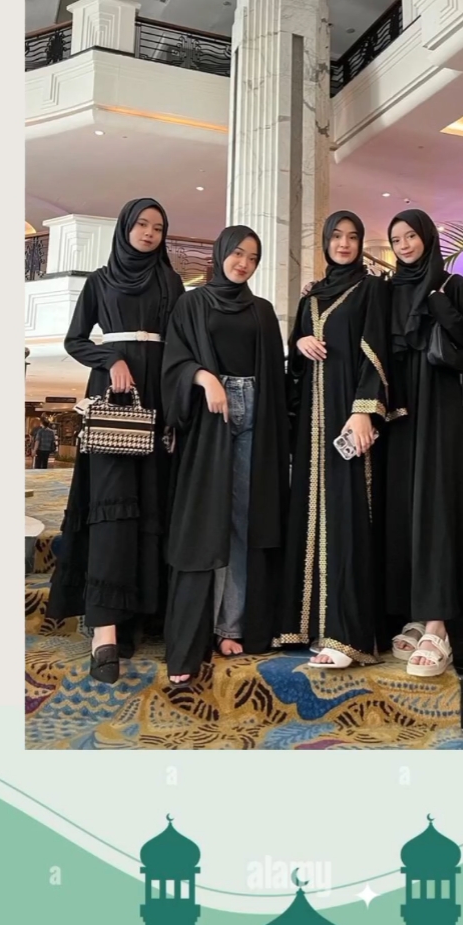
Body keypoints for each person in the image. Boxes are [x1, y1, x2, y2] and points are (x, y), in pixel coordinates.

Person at [46, 198, 184, 683]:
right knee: (111, 507)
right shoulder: (100, 281)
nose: (149, 233)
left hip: (158, 396)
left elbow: (181, 341)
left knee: (151, 505)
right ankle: (105, 630)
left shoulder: (170, 282)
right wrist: (110, 359)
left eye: (158, 227)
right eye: (141, 224)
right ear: (125, 227)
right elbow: (75, 339)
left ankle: (140, 617)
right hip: (114, 397)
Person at [161, 226, 290, 685]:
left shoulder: (262, 310)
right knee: (205, 522)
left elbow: (276, 376)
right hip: (210, 417)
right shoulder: (192, 303)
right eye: (237, 253)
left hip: (258, 414)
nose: (244, 263)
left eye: (253, 258)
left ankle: (232, 626)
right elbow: (174, 361)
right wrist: (204, 377)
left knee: (244, 520)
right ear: (220, 253)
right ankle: (193, 635)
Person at [275, 211, 389, 669]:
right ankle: (307, 625)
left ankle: (348, 636)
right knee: (310, 514)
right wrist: (299, 344)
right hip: (311, 425)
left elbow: (378, 350)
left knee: (348, 515)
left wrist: (364, 411)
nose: (344, 244)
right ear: (324, 242)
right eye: (336, 236)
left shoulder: (371, 289)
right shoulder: (311, 297)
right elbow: (296, 361)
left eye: (353, 237)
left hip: (348, 418)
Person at [385, 209, 463, 678]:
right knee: (403, 507)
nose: (405, 245)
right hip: (399, 412)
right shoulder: (388, 290)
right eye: (396, 239)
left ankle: (437, 625)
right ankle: (414, 611)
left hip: (439, 409)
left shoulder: (452, 285)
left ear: (428, 238)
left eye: (411, 236)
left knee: (436, 504)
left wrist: (440, 307)